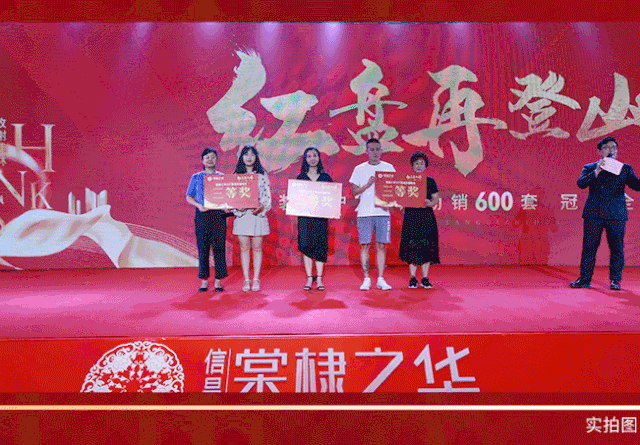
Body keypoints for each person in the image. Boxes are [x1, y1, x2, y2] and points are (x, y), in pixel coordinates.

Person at [570, 136, 640, 290]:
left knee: (617, 248)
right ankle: (585, 279)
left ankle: (615, 280)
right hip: (594, 214)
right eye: (607, 147)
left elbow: (637, 186)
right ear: (600, 151)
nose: (611, 150)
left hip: (616, 215)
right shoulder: (590, 167)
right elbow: (581, 184)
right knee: (589, 248)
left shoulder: (625, 168)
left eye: (614, 147)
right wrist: (596, 171)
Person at [349, 138, 396, 290]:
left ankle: (381, 279)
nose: (375, 152)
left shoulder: (389, 167)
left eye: (378, 149)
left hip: (383, 213)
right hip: (365, 213)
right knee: (365, 245)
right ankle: (366, 278)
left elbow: (395, 190)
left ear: (381, 150)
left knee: (381, 245)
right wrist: (368, 185)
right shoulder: (359, 169)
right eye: (372, 149)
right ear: (367, 151)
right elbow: (354, 192)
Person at [185, 147, 229, 292]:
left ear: (217, 159)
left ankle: (218, 280)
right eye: (207, 157)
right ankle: (204, 280)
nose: (210, 160)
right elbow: (189, 196)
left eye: (213, 157)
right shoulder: (196, 177)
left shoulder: (222, 177)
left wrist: (226, 207)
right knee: (203, 248)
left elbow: (227, 197)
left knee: (219, 248)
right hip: (202, 214)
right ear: (202, 160)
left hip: (219, 215)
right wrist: (199, 205)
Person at [232, 145, 271, 291]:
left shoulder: (262, 174)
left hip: (257, 215)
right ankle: (246, 280)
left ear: (256, 157)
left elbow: (267, 195)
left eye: (252, 154)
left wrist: (262, 207)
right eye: (246, 154)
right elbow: (231, 197)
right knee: (244, 248)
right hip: (242, 216)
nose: (249, 157)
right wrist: (237, 208)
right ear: (241, 157)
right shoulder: (236, 175)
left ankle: (256, 279)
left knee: (257, 248)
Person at [399, 151, 440, 288]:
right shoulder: (407, 180)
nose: (419, 166)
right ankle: (412, 278)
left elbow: (435, 198)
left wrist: (430, 203)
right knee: (412, 245)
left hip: (426, 217)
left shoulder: (430, 181)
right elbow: (399, 196)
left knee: (426, 246)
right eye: (416, 163)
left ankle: (425, 278)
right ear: (412, 166)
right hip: (411, 217)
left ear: (425, 166)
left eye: (421, 163)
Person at [296, 147, 333, 291]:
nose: (312, 158)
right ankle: (309, 278)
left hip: (320, 219)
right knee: (306, 247)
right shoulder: (300, 178)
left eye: (315, 155)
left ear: (319, 158)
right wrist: (288, 201)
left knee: (320, 246)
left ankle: (319, 279)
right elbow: (295, 198)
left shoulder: (325, 177)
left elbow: (333, 196)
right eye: (309, 156)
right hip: (305, 219)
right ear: (305, 159)